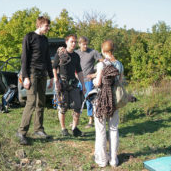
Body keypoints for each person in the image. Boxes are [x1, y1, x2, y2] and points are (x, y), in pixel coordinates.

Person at [16, 16, 54, 145]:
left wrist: (52, 76)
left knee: (41, 102)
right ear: (39, 25)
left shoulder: (44, 39)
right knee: (31, 102)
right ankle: (21, 132)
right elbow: (24, 58)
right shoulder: (29, 37)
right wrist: (25, 77)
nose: (48, 28)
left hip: (43, 73)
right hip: (31, 73)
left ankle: (38, 129)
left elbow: (48, 58)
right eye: (46, 26)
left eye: (48, 26)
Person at [93, 40, 124, 168]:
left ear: (103, 51)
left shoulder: (101, 65)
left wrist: (94, 79)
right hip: (114, 101)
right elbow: (121, 82)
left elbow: (98, 83)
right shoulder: (119, 64)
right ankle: (113, 160)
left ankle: (101, 160)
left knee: (100, 130)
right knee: (113, 128)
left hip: (101, 100)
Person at [53, 34, 86, 137]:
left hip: (73, 83)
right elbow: (54, 67)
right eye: (72, 41)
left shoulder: (76, 56)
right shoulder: (60, 53)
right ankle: (63, 129)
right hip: (62, 83)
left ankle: (74, 129)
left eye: (75, 42)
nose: (74, 43)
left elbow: (79, 71)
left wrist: (83, 85)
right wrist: (56, 81)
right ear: (66, 42)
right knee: (62, 107)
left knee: (77, 106)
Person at [75, 36, 103, 128]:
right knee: (77, 100)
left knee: (89, 100)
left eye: (87, 44)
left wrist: (95, 75)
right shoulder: (76, 53)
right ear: (79, 44)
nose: (86, 46)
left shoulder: (93, 52)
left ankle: (90, 121)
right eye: (83, 44)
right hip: (78, 81)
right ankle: (76, 121)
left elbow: (103, 63)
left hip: (88, 81)